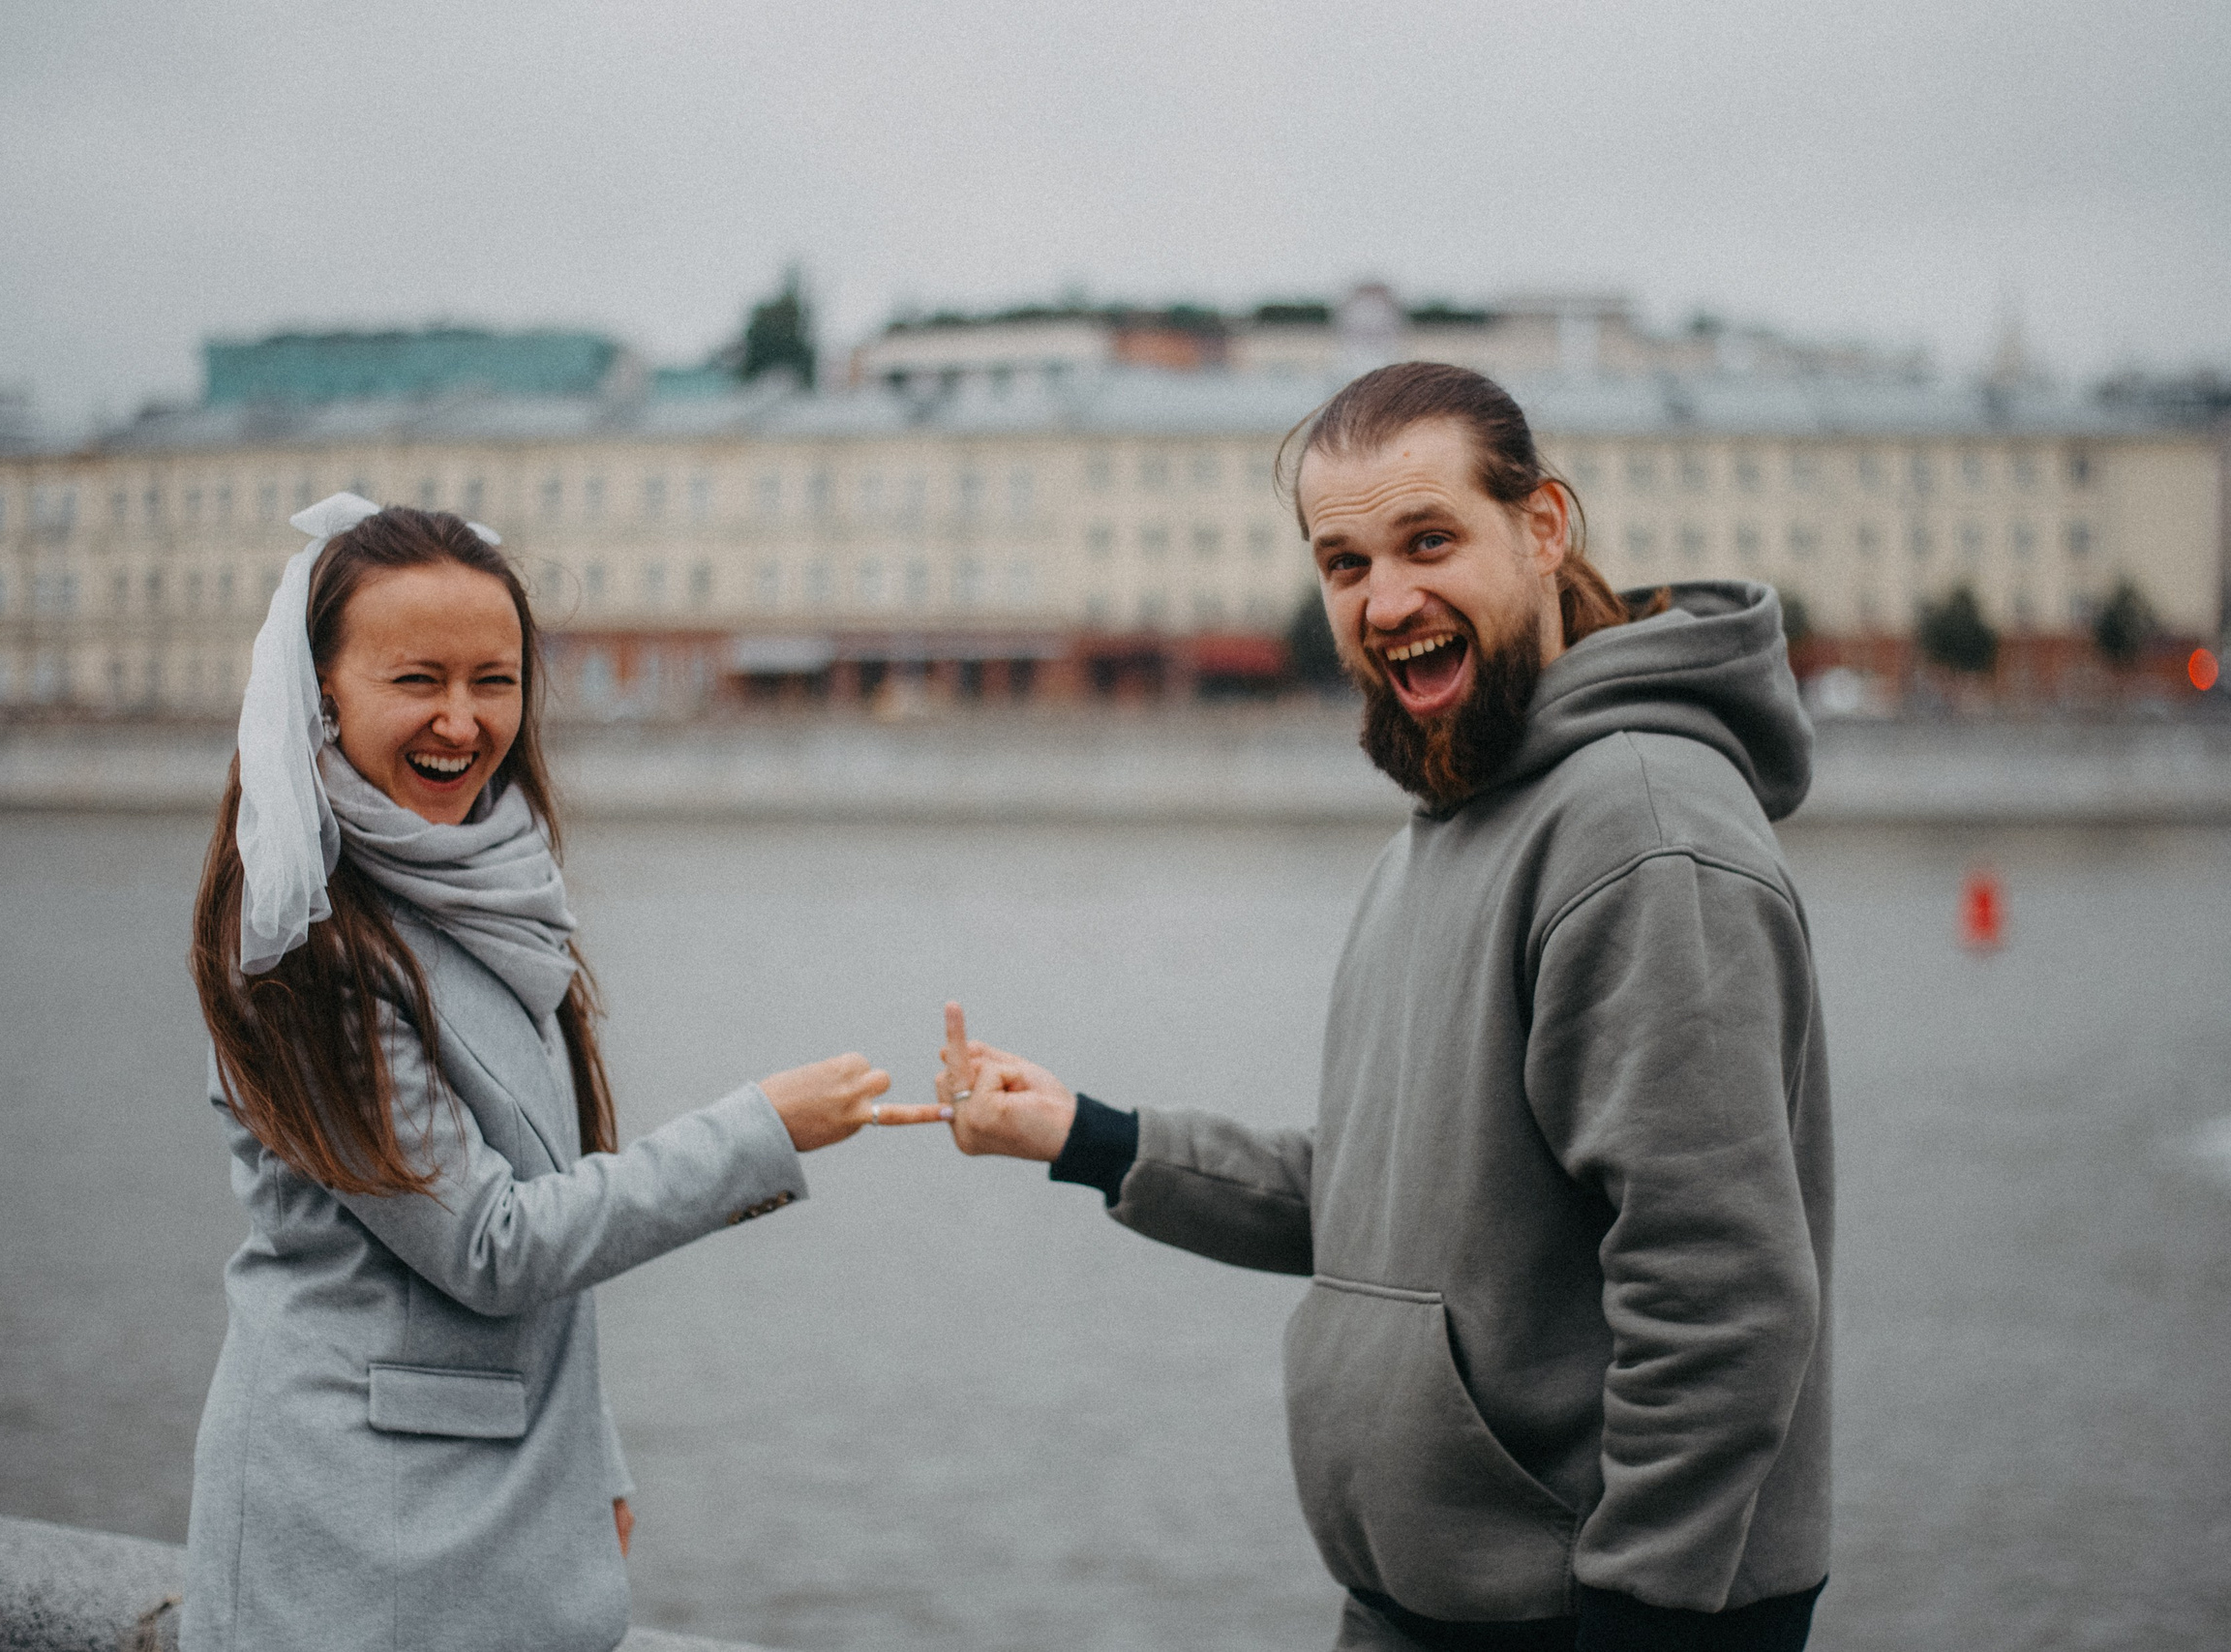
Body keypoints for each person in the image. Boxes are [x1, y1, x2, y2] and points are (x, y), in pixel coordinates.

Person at [937, 363, 1832, 1652]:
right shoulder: (1447, 826)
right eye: (1344, 560)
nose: (1389, 597)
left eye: (1428, 540)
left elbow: (1725, 1296)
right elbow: (1379, 1205)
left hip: (1588, 1617)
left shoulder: (1641, 830)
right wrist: (1090, 1136)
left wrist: (1638, 1618)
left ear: (1542, 528)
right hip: (1434, 1600)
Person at [181, 496, 945, 1652]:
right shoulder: (309, 947)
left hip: (497, 1492)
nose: (460, 720)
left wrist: (594, 1456)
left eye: (494, 679)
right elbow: (493, 1244)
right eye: (416, 680)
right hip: (359, 1528)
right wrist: (759, 1130)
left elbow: (545, 1203)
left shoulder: (491, 885)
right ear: (320, 692)